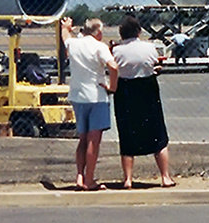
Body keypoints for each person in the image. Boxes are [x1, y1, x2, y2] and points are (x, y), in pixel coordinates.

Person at [111, 16, 174, 188]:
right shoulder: (149, 47)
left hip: (125, 91)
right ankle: (165, 176)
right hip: (147, 88)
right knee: (158, 133)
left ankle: (128, 179)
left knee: (127, 134)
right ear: (138, 31)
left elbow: (114, 68)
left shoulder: (116, 51)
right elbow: (152, 63)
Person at [61, 16, 118, 191]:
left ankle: (80, 175)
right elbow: (113, 67)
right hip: (96, 96)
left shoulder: (74, 44)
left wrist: (66, 27)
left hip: (78, 95)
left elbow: (65, 38)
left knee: (83, 138)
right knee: (94, 140)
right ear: (98, 31)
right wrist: (112, 87)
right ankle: (90, 179)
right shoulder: (100, 47)